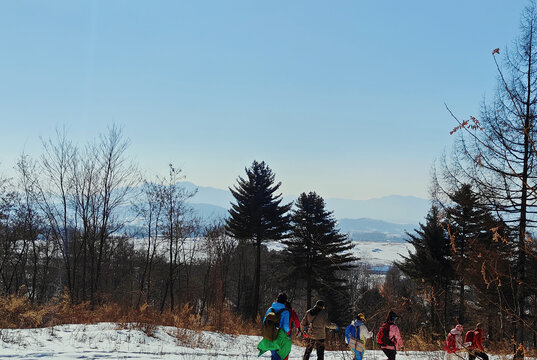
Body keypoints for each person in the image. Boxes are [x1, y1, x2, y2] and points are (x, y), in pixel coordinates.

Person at [257, 293, 291, 360]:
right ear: (285, 301)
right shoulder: (285, 311)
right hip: (279, 336)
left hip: (269, 335)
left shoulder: (270, 309)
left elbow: (264, 322)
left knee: (274, 355)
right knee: (279, 356)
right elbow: (286, 327)